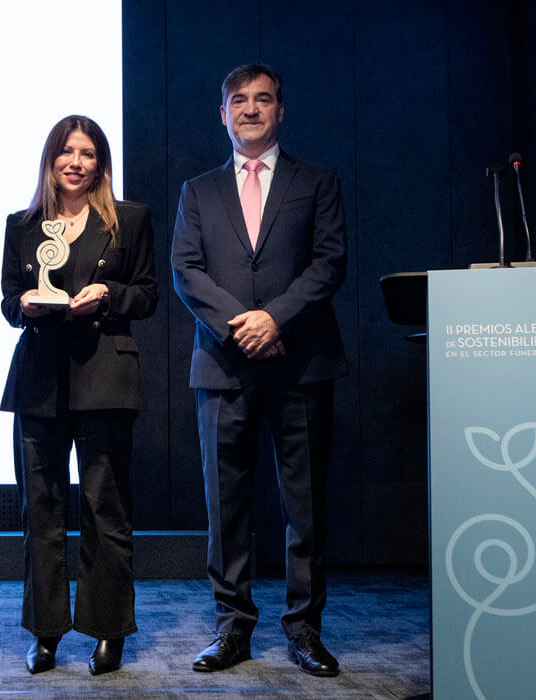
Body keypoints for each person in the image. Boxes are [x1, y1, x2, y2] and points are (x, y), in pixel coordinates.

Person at [171, 64, 348, 677]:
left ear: (280, 110)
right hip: (223, 365)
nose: (251, 109)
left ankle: (305, 630)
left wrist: (275, 320)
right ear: (223, 114)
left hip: (302, 362)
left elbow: (329, 263)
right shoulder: (198, 191)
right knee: (226, 509)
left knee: (306, 507)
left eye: (263, 99)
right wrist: (241, 326)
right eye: (239, 100)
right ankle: (232, 629)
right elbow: (186, 270)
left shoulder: (317, 181)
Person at [0, 115, 157, 676]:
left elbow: (147, 294)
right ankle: (45, 632)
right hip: (39, 381)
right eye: (66, 151)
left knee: (104, 509)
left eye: (87, 153)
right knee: (40, 512)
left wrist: (108, 294)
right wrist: (23, 305)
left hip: (105, 377)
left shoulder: (129, 220)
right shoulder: (22, 225)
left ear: (100, 164)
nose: (75, 162)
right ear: (50, 160)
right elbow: (8, 299)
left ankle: (107, 629)